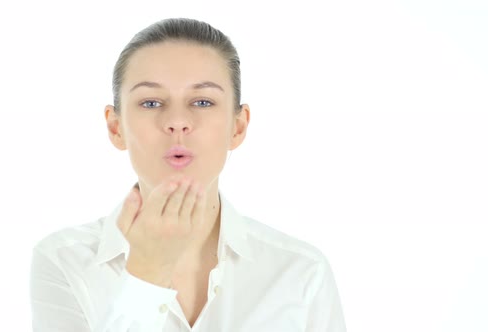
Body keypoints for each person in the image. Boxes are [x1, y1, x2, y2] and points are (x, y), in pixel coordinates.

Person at [30, 17, 347, 331]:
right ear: (116, 127)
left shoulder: (302, 273)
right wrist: (147, 276)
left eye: (203, 101)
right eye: (151, 102)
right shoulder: (64, 262)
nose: (178, 121)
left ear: (238, 126)